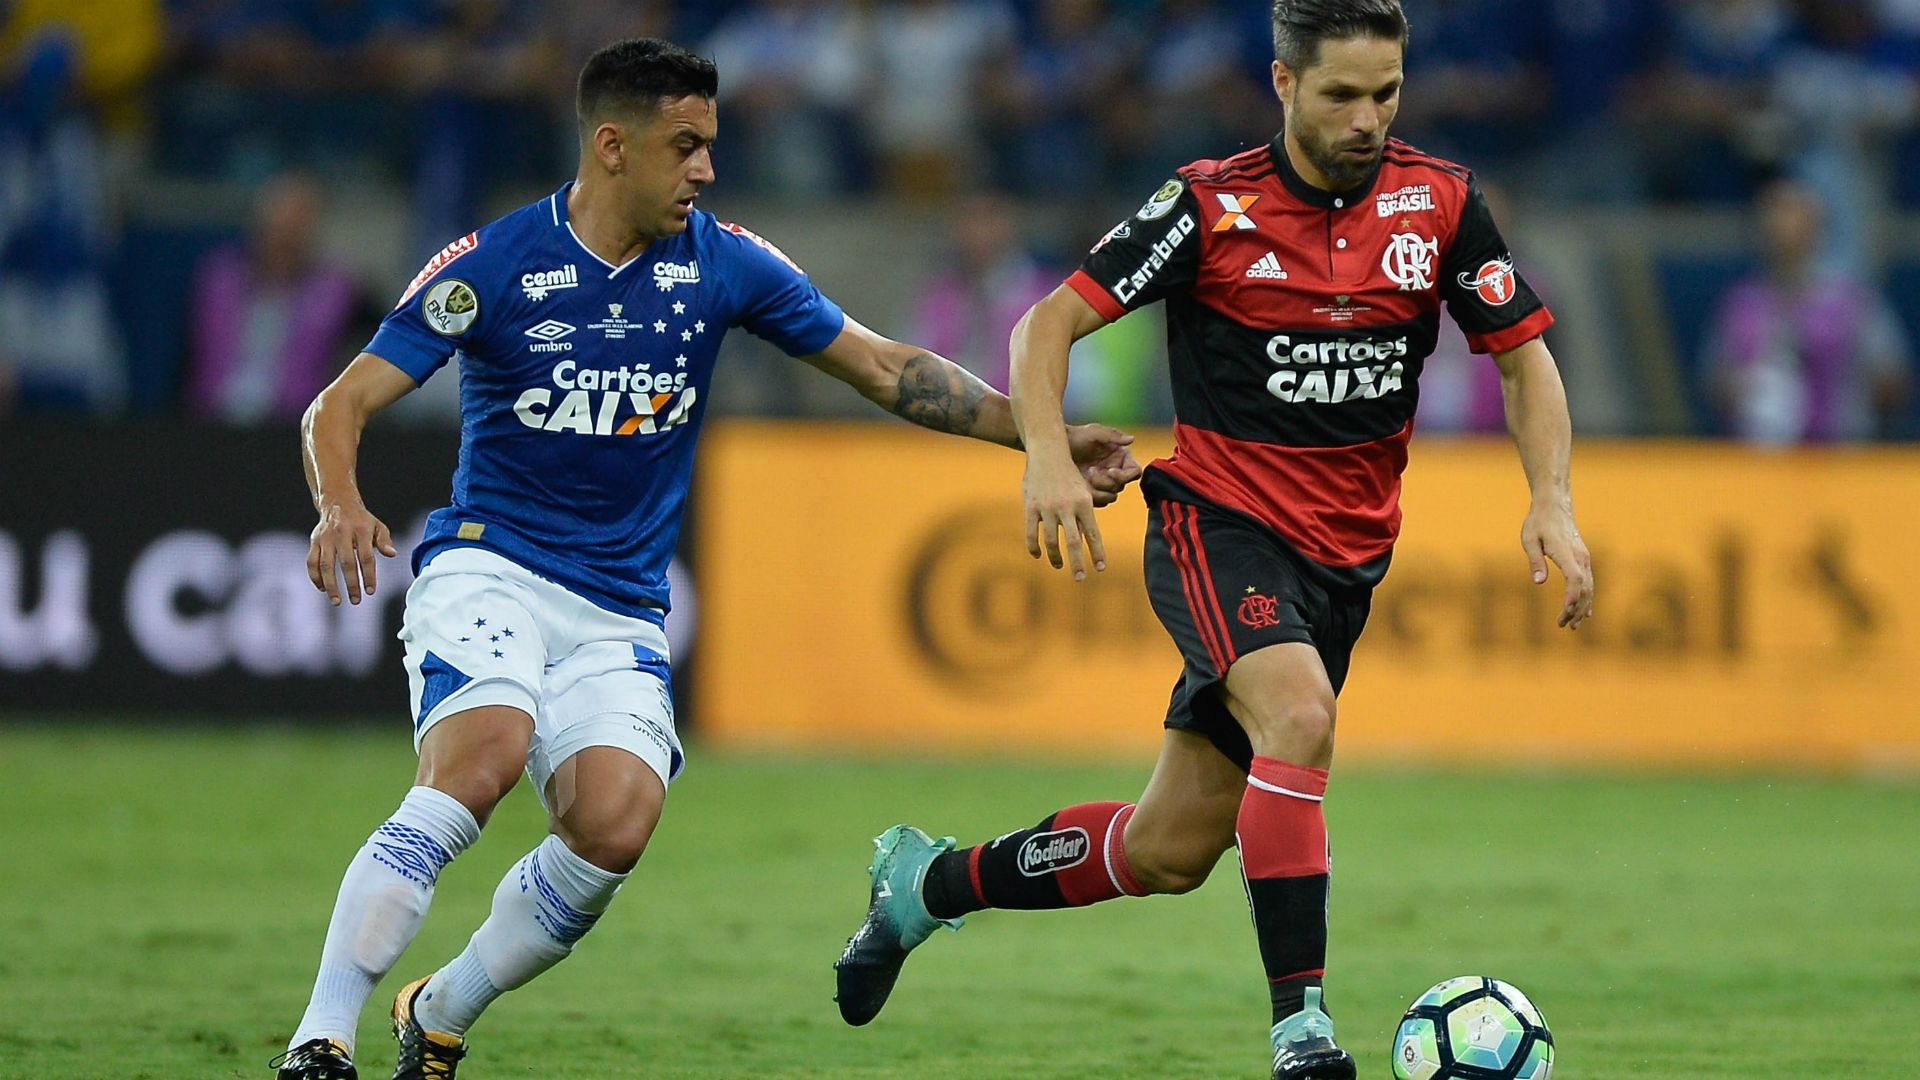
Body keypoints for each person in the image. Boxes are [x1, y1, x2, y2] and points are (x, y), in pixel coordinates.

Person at [272, 38, 1140, 1080]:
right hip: (491, 565)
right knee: (481, 762)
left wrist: (1042, 439)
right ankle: (320, 1038)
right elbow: (342, 402)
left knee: (614, 826)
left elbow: (885, 368)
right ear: (612, 145)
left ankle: (441, 1009)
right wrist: (339, 504)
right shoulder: (493, 263)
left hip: (620, 606)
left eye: (710, 146)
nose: (706, 169)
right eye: (684, 146)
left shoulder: (723, 262)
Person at [832, 4, 1594, 1079]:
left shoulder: (1442, 203)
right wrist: (1044, 454)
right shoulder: (1207, 205)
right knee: (1301, 716)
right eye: (1341, 94)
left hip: (1343, 565)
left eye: (1386, 94)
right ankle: (1302, 1031)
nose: (1367, 118)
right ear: (1284, 84)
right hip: (1218, 524)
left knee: (1169, 848)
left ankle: (927, 886)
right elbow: (1047, 324)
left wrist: (1551, 498)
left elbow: (1523, 357)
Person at [1705, 177, 1913, 443]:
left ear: (1816, 227)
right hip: (1761, 453)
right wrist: (1746, 387)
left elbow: (1892, 380)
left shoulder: (1851, 300)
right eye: (1773, 213)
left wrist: (1840, 380)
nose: (1781, 225)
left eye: (1792, 213)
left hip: (1838, 450)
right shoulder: (1741, 304)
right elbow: (1716, 384)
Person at [186, 171, 375, 425]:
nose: (288, 224)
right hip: (211, 419)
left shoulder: (338, 291)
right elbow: (185, 356)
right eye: (280, 211)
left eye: (300, 214)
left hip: (293, 424)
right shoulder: (219, 279)